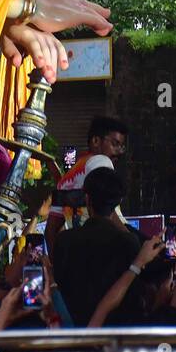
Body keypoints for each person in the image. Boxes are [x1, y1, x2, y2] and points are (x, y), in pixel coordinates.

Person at [50, 166, 142, 327]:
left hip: (73, 336)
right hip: (118, 338)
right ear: (118, 202)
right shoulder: (129, 242)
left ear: (87, 199)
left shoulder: (65, 241)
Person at [45, 116, 128, 247]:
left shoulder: (66, 179)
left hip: (79, 253)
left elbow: (51, 230)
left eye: (122, 147)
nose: (119, 152)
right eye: (115, 144)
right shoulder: (101, 161)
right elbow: (107, 211)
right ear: (96, 141)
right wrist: (131, 239)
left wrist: (57, 262)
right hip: (103, 249)